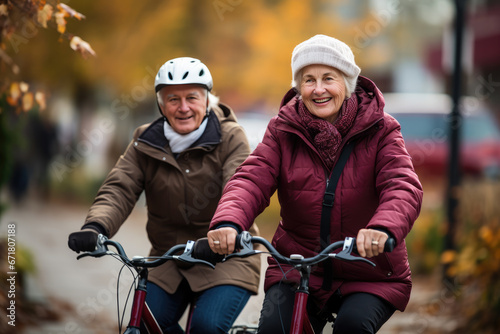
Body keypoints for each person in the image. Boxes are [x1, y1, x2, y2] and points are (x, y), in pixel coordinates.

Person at [207, 35, 423, 333]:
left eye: (328, 78)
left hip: (369, 272)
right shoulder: (282, 128)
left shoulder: (382, 130)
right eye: (308, 80)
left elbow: (402, 186)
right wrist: (229, 221)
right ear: (299, 87)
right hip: (296, 267)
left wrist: (382, 228)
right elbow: (251, 178)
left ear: (347, 83)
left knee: (352, 326)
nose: (318, 89)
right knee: (274, 328)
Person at [68, 57, 261, 333]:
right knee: (146, 325)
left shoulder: (231, 137)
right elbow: (120, 188)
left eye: (192, 97)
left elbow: (239, 187)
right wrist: (96, 226)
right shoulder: (145, 141)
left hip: (226, 256)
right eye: (173, 99)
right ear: (161, 104)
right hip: (169, 259)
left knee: (206, 327)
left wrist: (225, 229)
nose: (183, 108)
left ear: (208, 100)